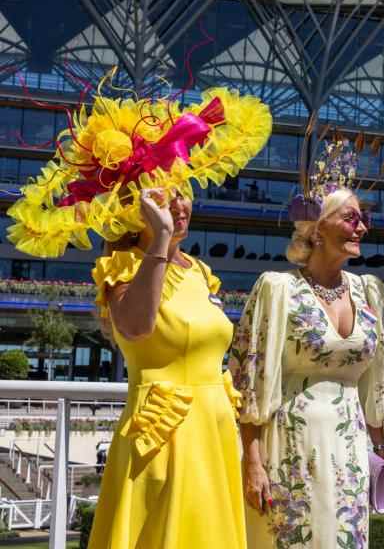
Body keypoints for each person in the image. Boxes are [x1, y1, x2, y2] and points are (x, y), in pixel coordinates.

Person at [4, 82, 272, 548]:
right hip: (162, 435)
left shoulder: (201, 272)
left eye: (183, 192)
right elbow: (136, 326)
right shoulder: (123, 267)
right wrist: (161, 242)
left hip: (212, 429)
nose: (180, 205)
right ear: (136, 211)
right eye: (165, 198)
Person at [230, 133, 384, 549]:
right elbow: (248, 380)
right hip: (290, 441)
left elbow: (374, 381)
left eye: (363, 218)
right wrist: (252, 461)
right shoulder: (278, 289)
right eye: (351, 218)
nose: (362, 226)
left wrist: (379, 447)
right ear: (317, 230)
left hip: (350, 445)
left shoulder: (369, 291)